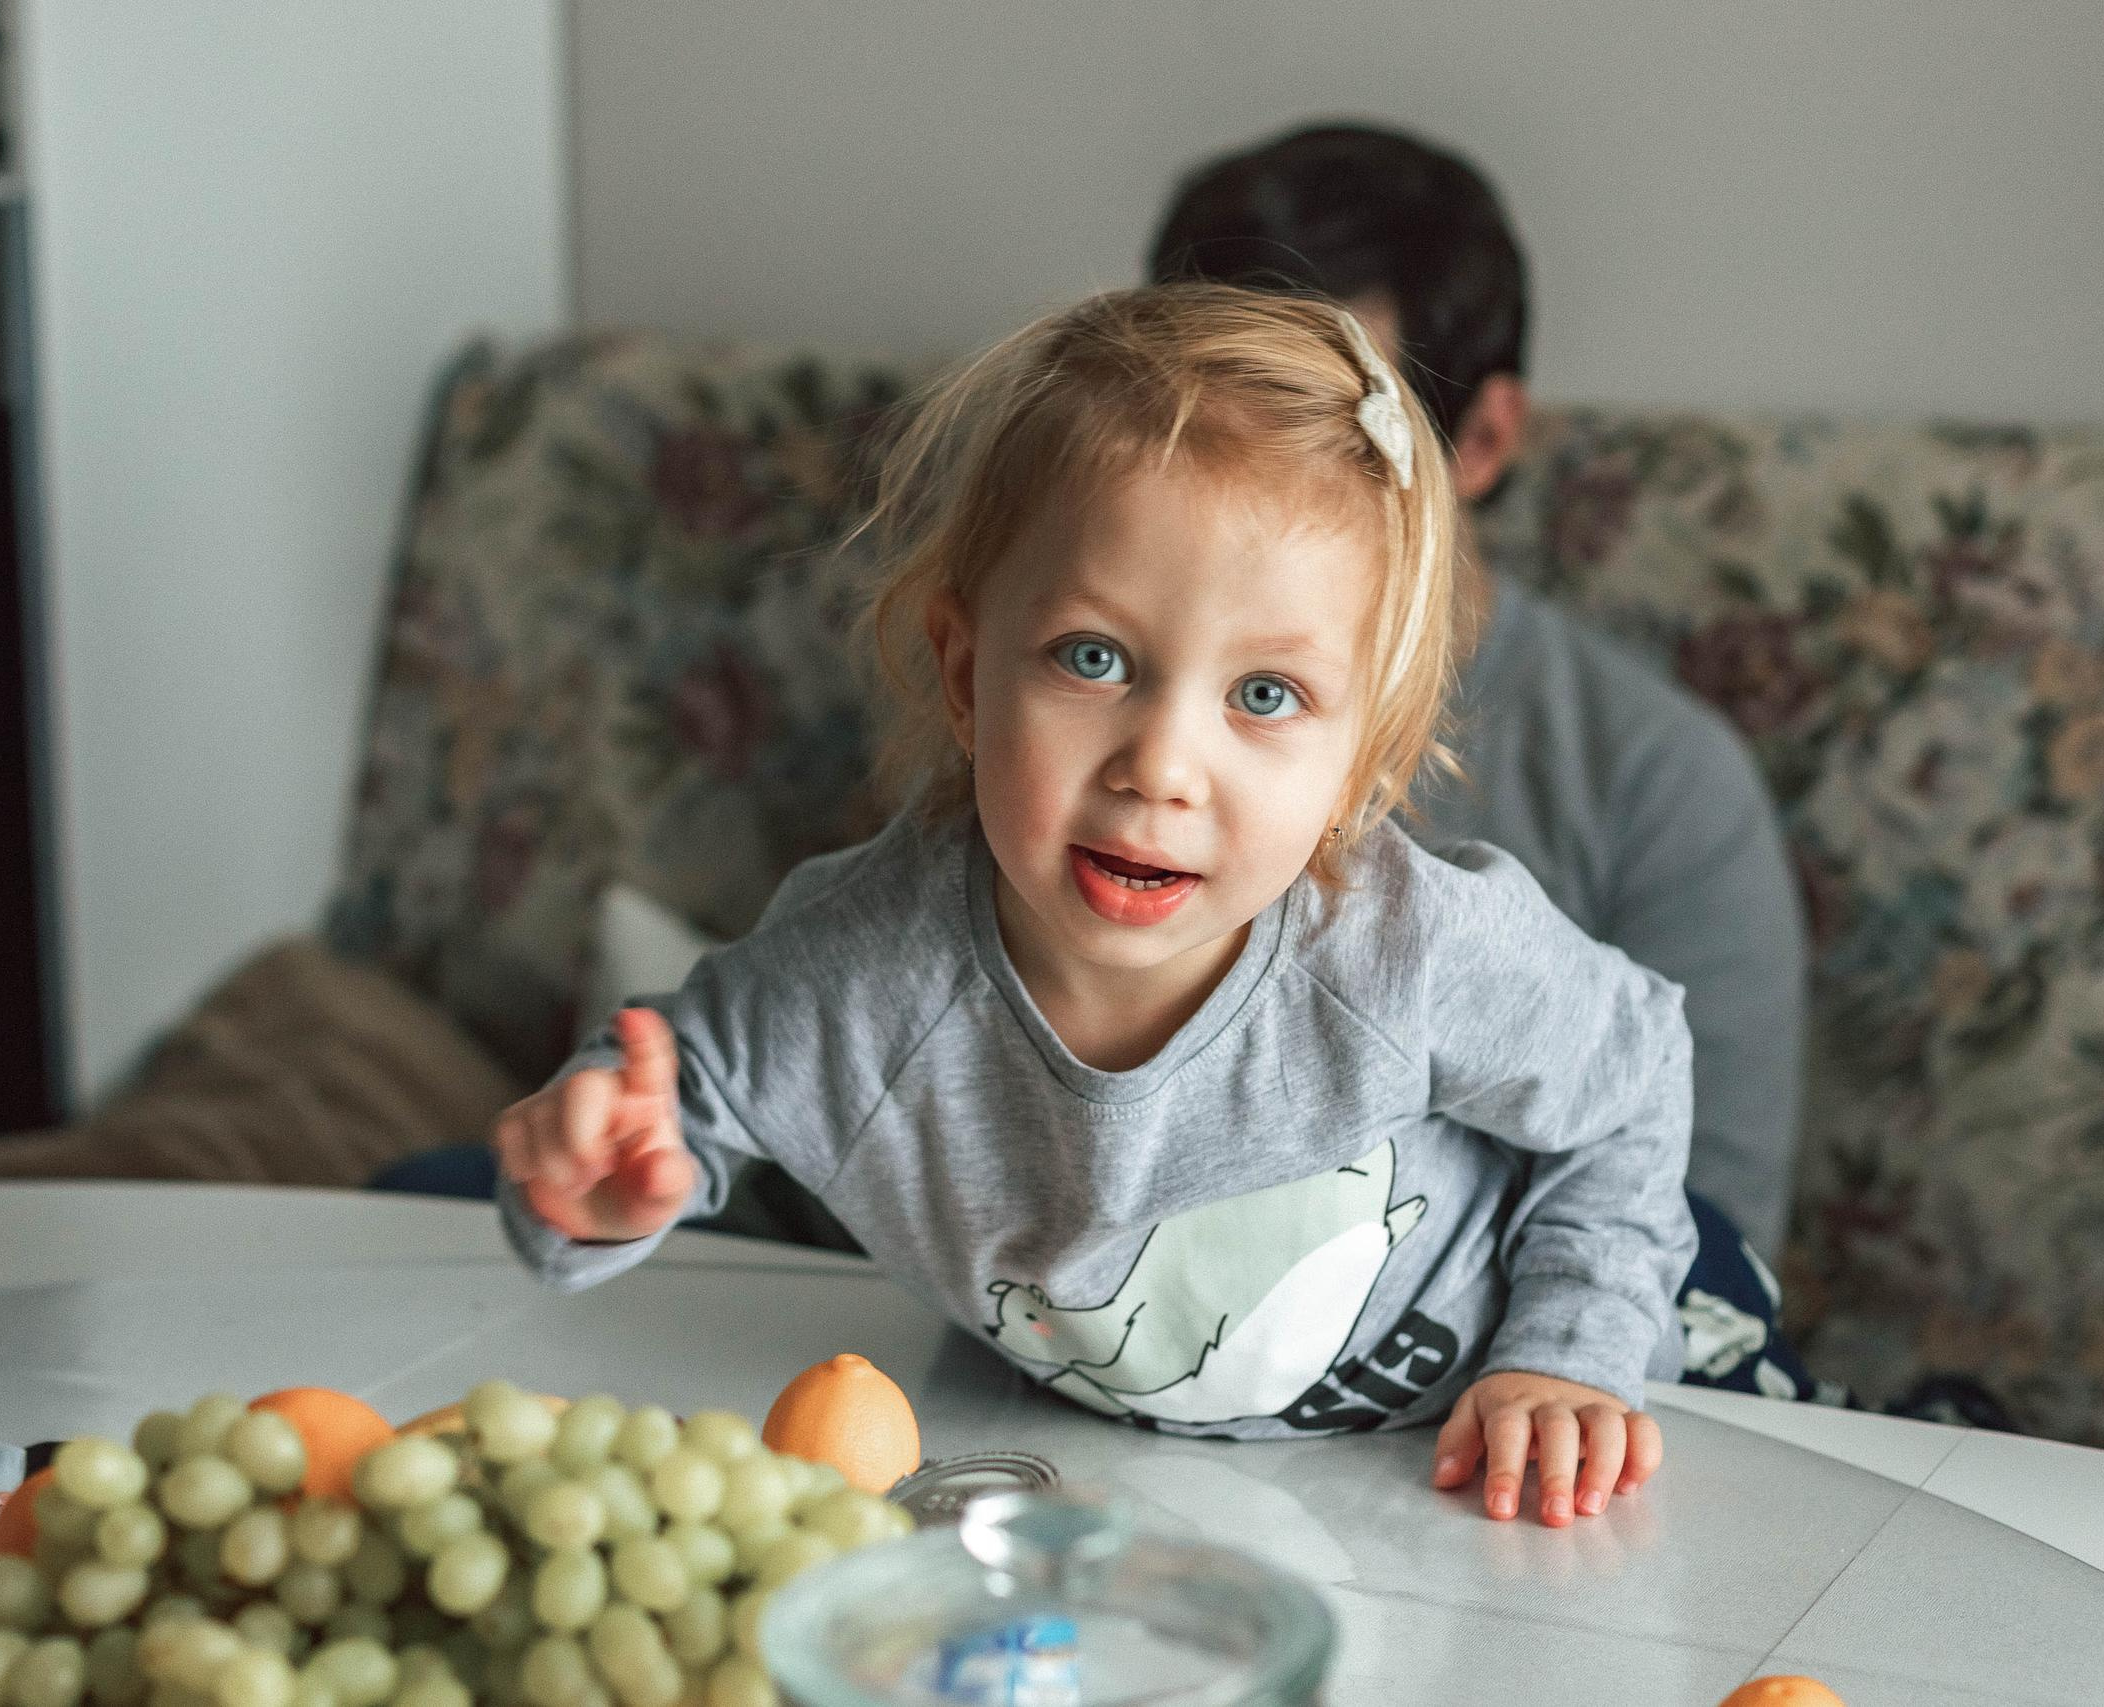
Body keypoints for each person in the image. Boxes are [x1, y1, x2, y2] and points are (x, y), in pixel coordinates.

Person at [496, 284, 1699, 1526]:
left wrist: (1568, 1351)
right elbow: (669, 1099)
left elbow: (1635, 1075)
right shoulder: (863, 975)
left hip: (1498, 1454)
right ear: (966, 674)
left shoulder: (1410, 954)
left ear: (1360, 765)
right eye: (1094, 659)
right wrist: (591, 1190)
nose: (1161, 768)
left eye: (1266, 695)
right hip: (1174, 1509)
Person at [1149, 125, 1808, 1263]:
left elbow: (1699, 1243)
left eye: (1328, 429)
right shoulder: (1069, 699)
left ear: (1484, 439)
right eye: (1198, 419)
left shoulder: (1656, 783)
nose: (1247, 492)